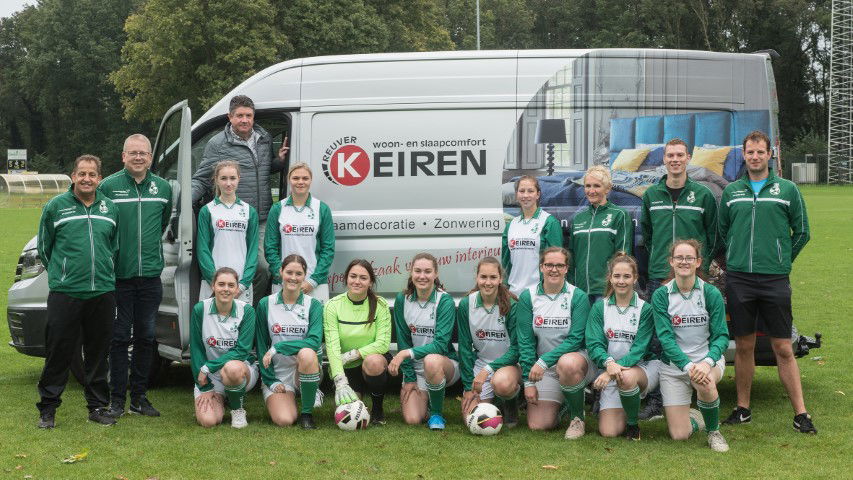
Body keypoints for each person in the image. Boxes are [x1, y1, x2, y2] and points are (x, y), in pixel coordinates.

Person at [717, 130, 815, 433]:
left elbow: (802, 232)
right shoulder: (732, 192)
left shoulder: (787, 189)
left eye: (760, 152)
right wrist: (735, 258)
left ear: (769, 155)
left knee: (783, 347)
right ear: (744, 155)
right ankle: (742, 409)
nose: (755, 156)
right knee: (744, 346)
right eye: (750, 152)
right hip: (740, 280)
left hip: (774, 280)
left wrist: (782, 260)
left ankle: (801, 414)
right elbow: (722, 233)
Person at [36, 155, 120, 428]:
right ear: (73, 176)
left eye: (92, 174)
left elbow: (114, 247)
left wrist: (105, 271)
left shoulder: (109, 207)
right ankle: (48, 409)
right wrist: (62, 274)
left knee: (98, 353)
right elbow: (45, 247)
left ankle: (97, 407)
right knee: (58, 351)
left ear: (99, 178)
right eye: (82, 174)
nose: (86, 179)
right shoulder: (55, 207)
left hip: (102, 291)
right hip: (66, 292)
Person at [638, 138, 718, 421]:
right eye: (670, 155)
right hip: (660, 277)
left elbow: (712, 236)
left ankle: (698, 390)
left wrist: (697, 267)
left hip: (693, 278)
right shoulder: (651, 195)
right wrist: (663, 263)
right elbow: (648, 236)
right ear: (664, 159)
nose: (675, 160)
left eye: (679, 155)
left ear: (688, 158)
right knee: (658, 340)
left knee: (693, 331)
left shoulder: (703, 195)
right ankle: (657, 399)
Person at [98, 134, 172, 419]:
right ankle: (117, 399)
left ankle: (139, 399)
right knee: (118, 338)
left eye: (143, 153)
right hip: (119, 277)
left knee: (146, 337)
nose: (138, 157)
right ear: (123, 156)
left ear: (151, 157)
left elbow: (162, 222)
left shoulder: (163, 187)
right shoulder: (108, 186)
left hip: (150, 277)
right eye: (133, 153)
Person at [192, 95, 289, 297]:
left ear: (253, 117)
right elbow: (202, 178)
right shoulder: (217, 144)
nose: (244, 120)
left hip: (260, 216)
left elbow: (263, 169)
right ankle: (226, 303)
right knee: (229, 266)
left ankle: (252, 306)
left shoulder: (264, 138)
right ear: (230, 117)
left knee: (262, 267)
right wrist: (183, 203)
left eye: (248, 116)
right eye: (239, 116)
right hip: (228, 216)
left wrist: (279, 162)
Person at [652, 239, 729, 452]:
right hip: (674, 366)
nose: (684, 262)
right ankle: (696, 418)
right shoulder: (661, 295)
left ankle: (714, 432)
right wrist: (688, 366)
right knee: (679, 435)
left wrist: (707, 362)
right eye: (679, 257)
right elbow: (666, 339)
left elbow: (721, 336)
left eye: (689, 258)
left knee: (705, 382)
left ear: (698, 262)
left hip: (706, 362)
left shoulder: (710, 293)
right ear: (671, 261)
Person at [516, 247, 593, 438]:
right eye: (549, 265)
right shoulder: (528, 297)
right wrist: (528, 381)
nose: (554, 269)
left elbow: (576, 339)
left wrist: (543, 361)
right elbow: (525, 342)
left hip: (576, 363)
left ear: (566, 268)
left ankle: (577, 418)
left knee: (567, 363)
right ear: (541, 267)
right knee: (538, 425)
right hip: (544, 369)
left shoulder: (578, 296)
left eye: (559, 265)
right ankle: (566, 403)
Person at [585, 253, 658, 440]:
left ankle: (633, 425)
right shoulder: (599, 307)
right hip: (611, 368)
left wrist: (611, 371)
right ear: (610, 278)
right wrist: (609, 363)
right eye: (617, 276)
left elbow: (639, 350)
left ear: (635, 278)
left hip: (641, 367)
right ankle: (626, 406)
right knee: (609, 432)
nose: (621, 281)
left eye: (627, 276)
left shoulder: (645, 309)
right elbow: (594, 344)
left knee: (626, 378)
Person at [388, 253, 459, 430]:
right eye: (417, 271)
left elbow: (440, 345)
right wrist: (409, 377)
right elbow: (403, 340)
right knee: (413, 419)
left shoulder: (445, 301)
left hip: (443, 364)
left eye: (427, 271)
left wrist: (406, 353)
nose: (422, 276)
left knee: (431, 360)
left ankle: (436, 414)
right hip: (416, 368)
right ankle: (425, 401)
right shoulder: (402, 299)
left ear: (436, 274)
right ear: (411, 273)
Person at [256, 255, 323, 429]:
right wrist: (271, 380)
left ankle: (307, 413)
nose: (293, 278)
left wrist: (278, 347)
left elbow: (314, 341)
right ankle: (292, 396)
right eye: (289, 272)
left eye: (298, 274)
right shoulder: (265, 303)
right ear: (281, 272)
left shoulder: (313, 305)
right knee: (285, 420)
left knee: (307, 353)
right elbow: (262, 346)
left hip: (305, 367)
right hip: (278, 372)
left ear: (305, 275)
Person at [324, 260, 391, 424]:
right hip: (347, 367)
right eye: (353, 276)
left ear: (371, 282)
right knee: (348, 415)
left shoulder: (381, 304)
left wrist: (351, 355)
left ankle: (377, 410)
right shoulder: (332, 305)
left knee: (373, 361)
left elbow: (383, 344)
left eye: (363, 278)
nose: (357, 281)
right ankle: (358, 399)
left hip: (371, 363)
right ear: (346, 278)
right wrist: (340, 380)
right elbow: (332, 346)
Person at [190, 267, 258, 428]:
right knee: (208, 421)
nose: (226, 289)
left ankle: (237, 409)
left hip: (240, 370)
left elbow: (242, 351)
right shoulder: (200, 309)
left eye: (231, 285)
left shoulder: (246, 311)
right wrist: (205, 386)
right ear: (213, 286)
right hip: (211, 375)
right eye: (221, 284)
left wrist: (208, 367)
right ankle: (224, 397)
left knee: (232, 368)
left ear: (237, 289)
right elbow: (196, 348)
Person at [457, 257, 522, 427]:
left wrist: (488, 370)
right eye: (483, 277)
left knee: (502, 383)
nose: (487, 282)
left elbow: (517, 350)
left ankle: (510, 403)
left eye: (493, 277)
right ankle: (495, 402)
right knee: (472, 420)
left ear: (500, 279)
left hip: (509, 365)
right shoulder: (466, 304)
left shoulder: (512, 305)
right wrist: (468, 387)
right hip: (481, 365)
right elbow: (464, 348)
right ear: (477, 278)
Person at [265, 163, 334, 301]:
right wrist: (283, 277)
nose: (300, 182)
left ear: (311, 180)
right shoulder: (277, 209)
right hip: (283, 283)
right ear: (288, 180)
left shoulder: (322, 209)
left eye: (305, 178)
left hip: (314, 284)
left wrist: (312, 282)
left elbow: (328, 249)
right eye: (296, 178)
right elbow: (270, 248)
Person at [566, 165, 633, 304]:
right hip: (580, 290)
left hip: (605, 290)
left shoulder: (619, 215)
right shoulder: (578, 218)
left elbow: (623, 256)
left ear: (607, 188)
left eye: (597, 186)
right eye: (587, 186)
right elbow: (571, 256)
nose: (591, 191)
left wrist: (613, 286)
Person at [197, 161, 259, 303]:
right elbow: (203, 249)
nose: (228, 183)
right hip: (213, 285)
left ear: (239, 179)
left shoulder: (249, 211)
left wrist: (242, 284)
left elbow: (253, 251)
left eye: (232, 178)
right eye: (224, 178)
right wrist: (215, 282)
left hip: (241, 285)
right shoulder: (207, 210)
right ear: (216, 180)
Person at [502, 175, 563, 296]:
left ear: (538, 194)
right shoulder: (511, 225)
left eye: (530, 191)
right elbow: (505, 262)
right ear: (516, 194)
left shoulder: (549, 222)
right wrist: (505, 288)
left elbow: (556, 262)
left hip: (539, 294)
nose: (525, 195)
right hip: (513, 294)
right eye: (522, 191)